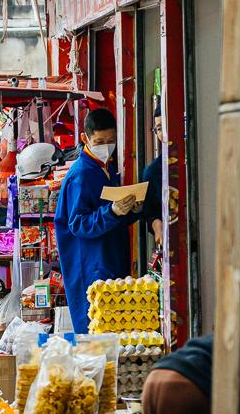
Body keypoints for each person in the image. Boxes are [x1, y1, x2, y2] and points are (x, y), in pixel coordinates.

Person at [53, 106, 142, 332]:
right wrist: (112, 212)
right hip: (91, 265)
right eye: (100, 141)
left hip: (110, 259)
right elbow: (78, 224)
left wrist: (131, 210)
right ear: (85, 139)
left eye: (111, 141)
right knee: (95, 330)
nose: (106, 147)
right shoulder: (81, 175)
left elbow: (111, 218)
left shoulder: (107, 169)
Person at [141, 97, 164, 251]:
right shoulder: (153, 171)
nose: (163, 133)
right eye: (159, 128)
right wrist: (157, 225)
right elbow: (150, 212)